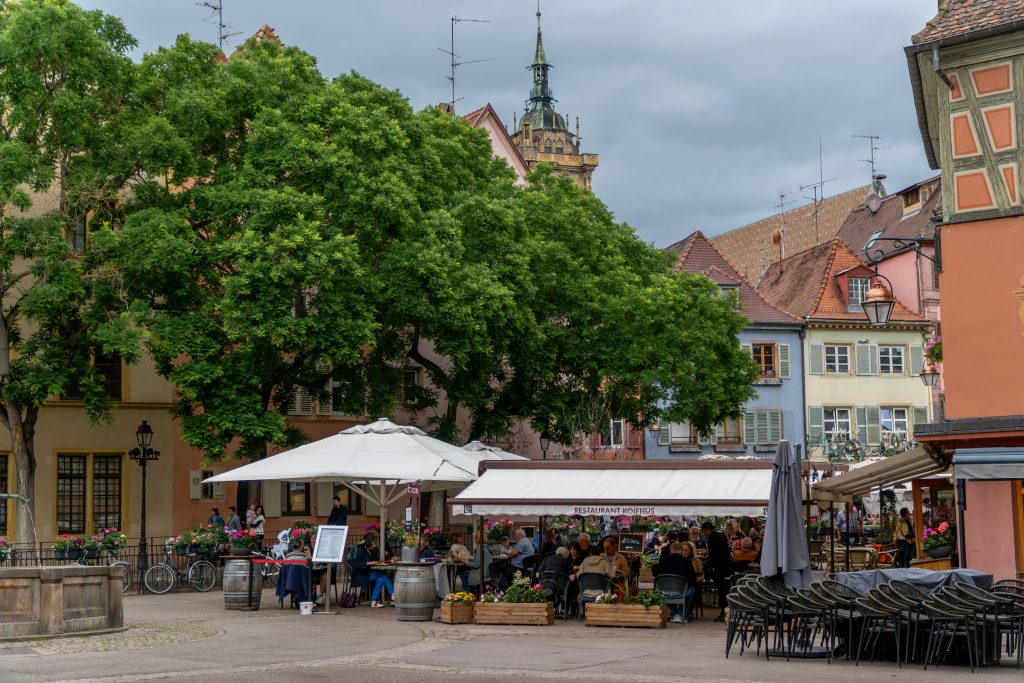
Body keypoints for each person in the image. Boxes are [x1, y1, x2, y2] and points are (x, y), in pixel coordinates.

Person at [655, 542, 698, 623]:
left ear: (670, 550)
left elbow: (657, 576)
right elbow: (693, 579)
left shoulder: (663, 561)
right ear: (681, 550)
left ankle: (675, 614)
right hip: (681, 592)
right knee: (691, 590)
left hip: (664, 592)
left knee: (669, 591)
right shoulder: (687, 561)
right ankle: (680, 614)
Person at [350, 533, 394, 608]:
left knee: (381, 580)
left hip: (368, 573)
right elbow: (356, 564)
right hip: (360, 575)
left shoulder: (372, 550)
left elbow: (375, 560)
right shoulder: (360, 550)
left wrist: (379, 562)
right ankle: (393, 594)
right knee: (383, 575)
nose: (375, 545)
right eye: (374, 543)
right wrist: (370, 562)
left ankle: (373, 602)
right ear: (369, 543)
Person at [702, 521, 733, 622]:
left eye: (704, 531)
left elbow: (713, 555)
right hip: (726, 567)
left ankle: (723, 613)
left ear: (707, 530)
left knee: (721, 590)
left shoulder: (712, 539)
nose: (704, 534)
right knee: (725, 589)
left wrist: (706, 566)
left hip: (719, 568)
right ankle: (726, 611)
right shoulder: (721, 536)